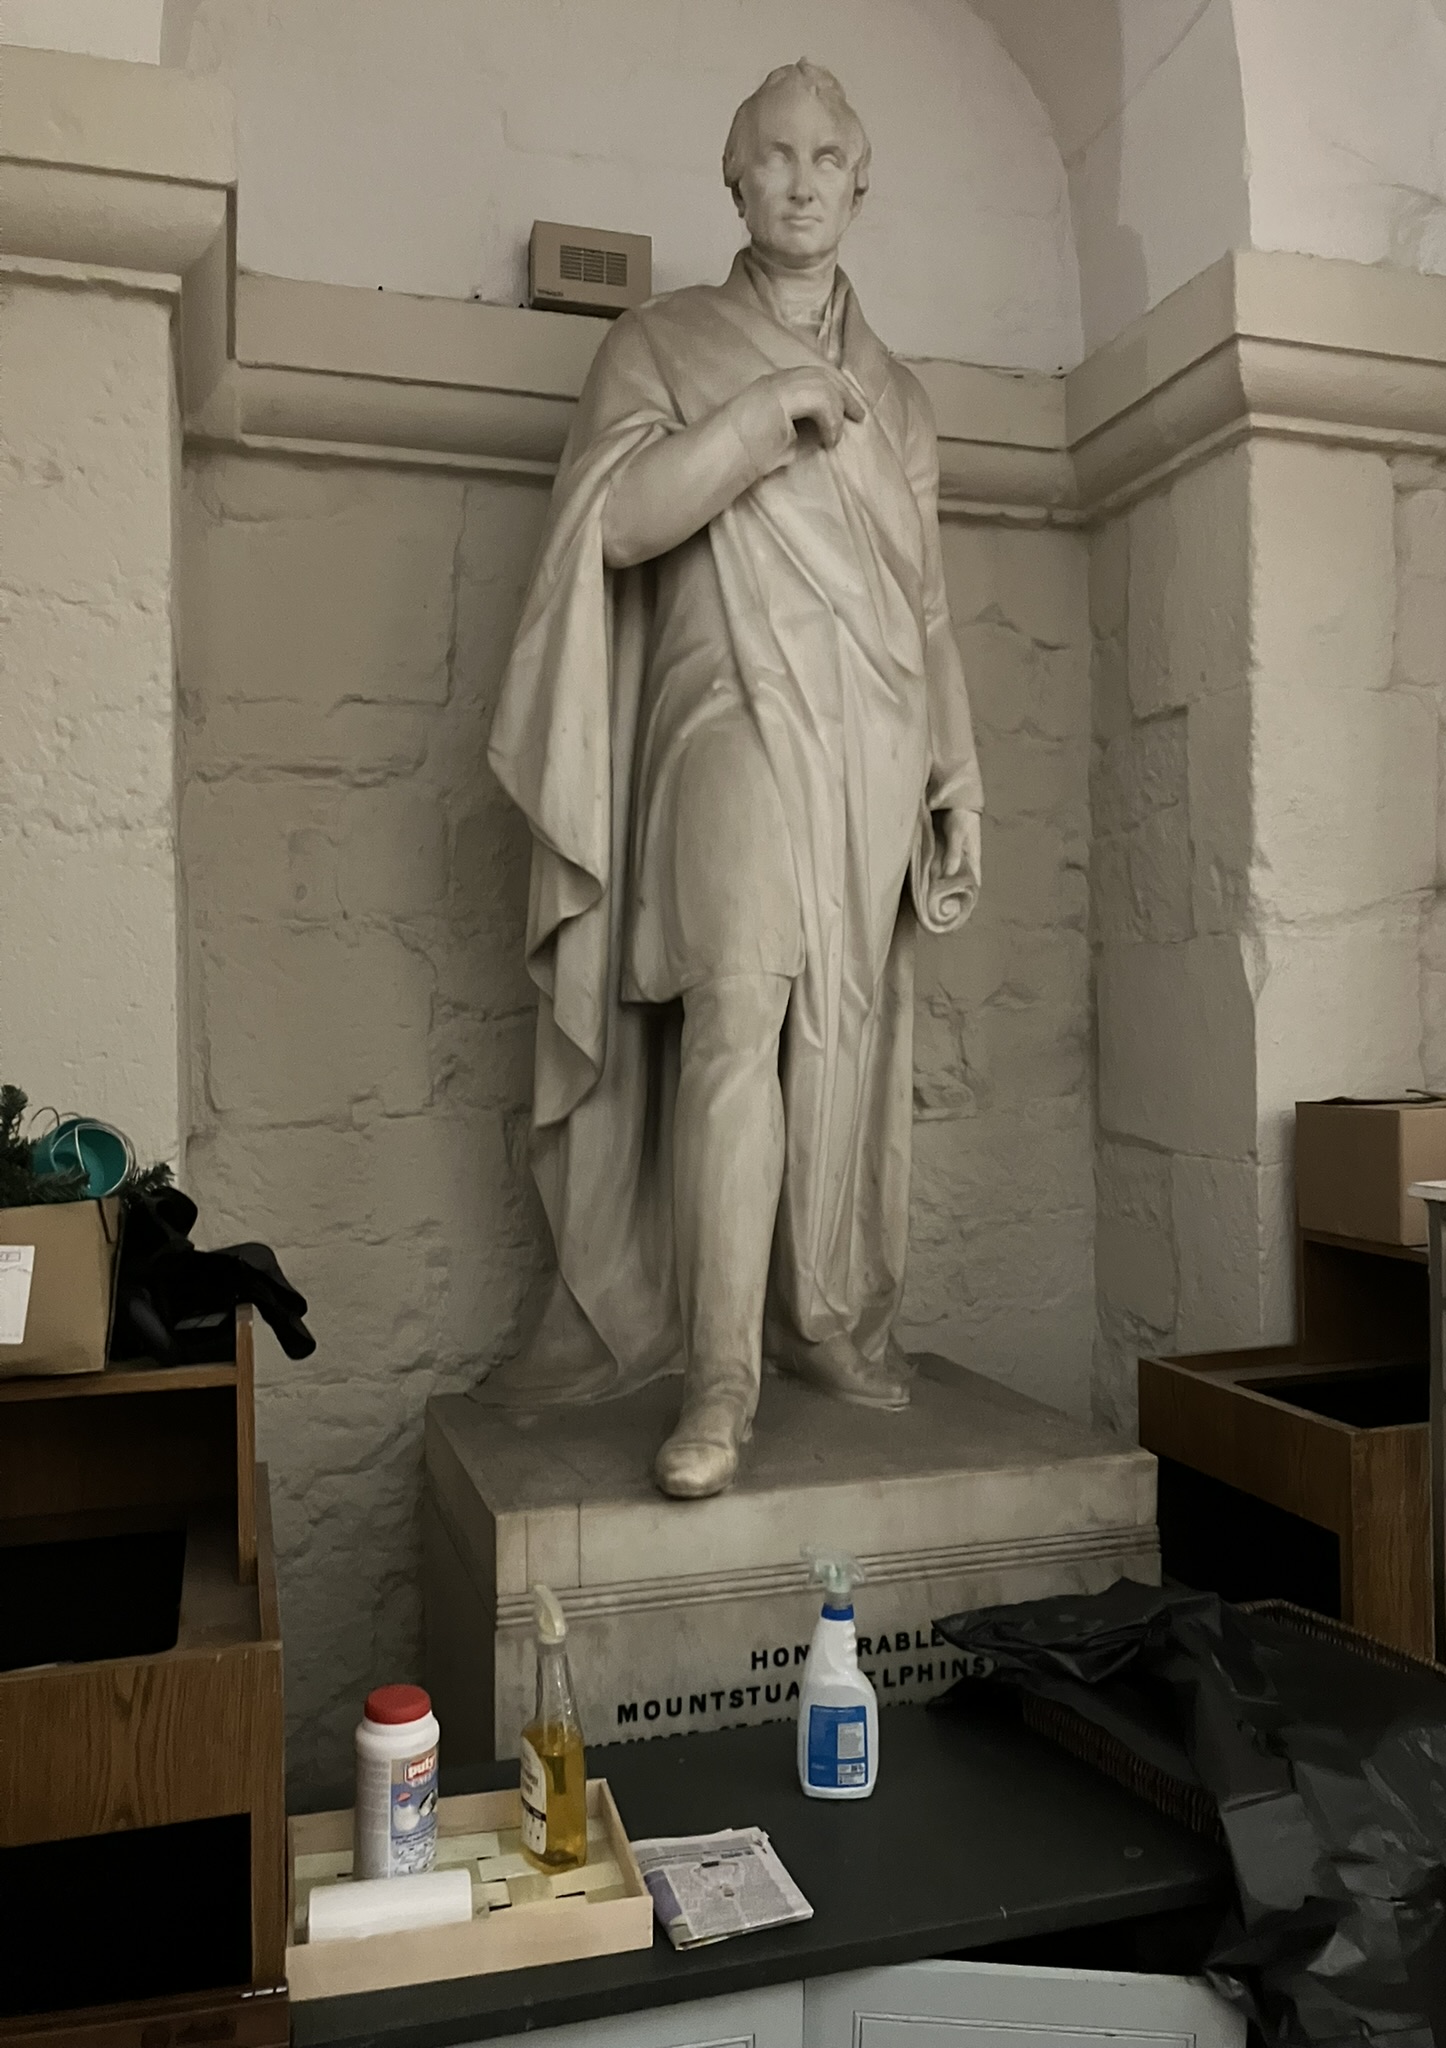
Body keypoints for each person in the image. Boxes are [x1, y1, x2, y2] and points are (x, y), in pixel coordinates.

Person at [488, 60, 983, 1499]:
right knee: (732, 1010)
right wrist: (769, 413)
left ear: (861, 182)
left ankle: (817, 1312)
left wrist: (957, 769)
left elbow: (931, 610)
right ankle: (715, 1377)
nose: (804, 176)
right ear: (736, 181)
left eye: (831, 153)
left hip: (875, 735)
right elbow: (622, 524)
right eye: (775, 154)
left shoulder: (902, 397)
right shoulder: (658, 344)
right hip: (723, 717)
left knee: (832, 1050)